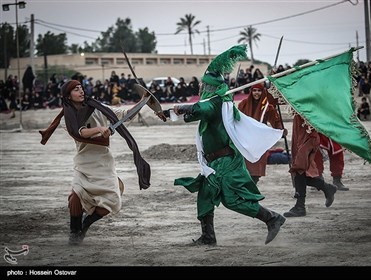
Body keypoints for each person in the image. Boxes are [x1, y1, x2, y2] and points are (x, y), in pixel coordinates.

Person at [172, 45, 286, 246]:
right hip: (213, 162)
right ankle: (208, 237)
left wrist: (181, 107)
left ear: (210, 87)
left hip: (226, 161)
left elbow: (201, 108)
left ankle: (272, 218)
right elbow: (192, 115)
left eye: (204, 86)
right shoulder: (212, 103)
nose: (201, 89)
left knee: (231, 200)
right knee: (206, 195)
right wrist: (169, 113)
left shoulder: (217, 102)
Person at [39, 80, 151, 245]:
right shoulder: (67, 117)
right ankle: (74, 233)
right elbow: (81, 133)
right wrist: (99, 130)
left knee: (112, 203)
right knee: (74, 197)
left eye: (81, 88)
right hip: (83, 163)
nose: (81, 91)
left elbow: (123, 113)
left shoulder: (98, 107)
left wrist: (143, 102)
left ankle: (86, 224)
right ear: (68, 96)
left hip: (103, 163)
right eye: (76, 90)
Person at [283, 113, 337, 218]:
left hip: (309, 136)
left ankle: (300, 206)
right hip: (300, 133)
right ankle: (326, 188)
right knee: (301, 173)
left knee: (299, 169)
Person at [238, 82, 287, 184]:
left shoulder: (267, 107)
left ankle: (252, 189)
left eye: (259, 91)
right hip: (246, 140)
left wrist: (280, 130)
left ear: (263, 91)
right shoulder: (243, 104)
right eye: (254, 90)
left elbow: (275, 120)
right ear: (251, 92)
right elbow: (236, 120)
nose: (257, 93)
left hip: (259, 141)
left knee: (256, 169)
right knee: (245, 168)